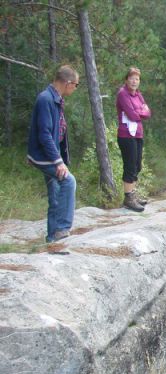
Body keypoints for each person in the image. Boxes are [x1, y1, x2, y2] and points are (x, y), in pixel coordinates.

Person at [27, 65, 80, 243]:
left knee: (55, 194)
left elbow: (58, 133)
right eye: (76, 84)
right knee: (68, 181)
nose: (75, 88)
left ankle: (52, 240)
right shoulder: (46, 99)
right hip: (43, 155)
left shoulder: (55, 99)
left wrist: (61, 158)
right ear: (67, 83)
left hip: (51, 154)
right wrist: (58, 162)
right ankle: (62, 229)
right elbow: (45, 134)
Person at [116, 67, 151, 212]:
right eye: (132, 78)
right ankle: (128, 198)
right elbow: (132, 115)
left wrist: (141, 112)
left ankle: (133, 195)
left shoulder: (138, 95)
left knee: (137, 165)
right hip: (126, 135)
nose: (134, 81)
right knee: (130, 166)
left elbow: (148, 113)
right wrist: (140, 112)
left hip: (137, 134)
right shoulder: (122, 94)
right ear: (126, 80)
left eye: (137, 79)